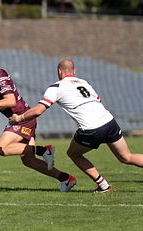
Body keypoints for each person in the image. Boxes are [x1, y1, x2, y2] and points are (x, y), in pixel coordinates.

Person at [9, 58, 143, 193]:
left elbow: (38, 110)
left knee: (73, 154)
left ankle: (104, 186)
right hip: (109, 122)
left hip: (91, 128)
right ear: (74, 71)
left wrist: (19, 118)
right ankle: (104, 186)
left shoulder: (56, 87)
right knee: (126, 157)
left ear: (59, 71)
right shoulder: (84, 82)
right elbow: (97, 101)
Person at [0, 46, 76, 192]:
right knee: (28, 160)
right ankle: (65, 178)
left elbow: (11, 101)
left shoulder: (0, 76)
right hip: (17, 119)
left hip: (22, 117)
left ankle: (43, 150)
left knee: (1, 148)